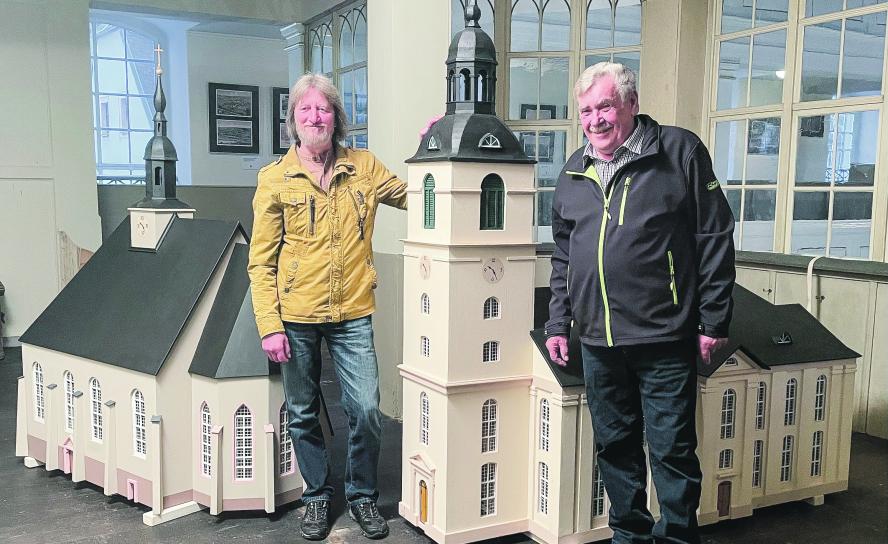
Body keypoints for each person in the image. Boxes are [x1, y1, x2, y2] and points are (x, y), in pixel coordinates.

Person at [544, 62, 735, 544]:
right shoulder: (572, 170)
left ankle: (676, 536)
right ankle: (628, 534)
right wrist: (557, 323)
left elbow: (714, 235)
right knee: (614, 445)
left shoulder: (679, 151)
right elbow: (563, 254)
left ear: (630, 103)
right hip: (596, 339)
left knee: (671, 448)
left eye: (605, 106)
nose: (595, 119)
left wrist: (714, 319)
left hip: (663, 335)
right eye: (585, 110)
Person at [248, 73, 407, 541]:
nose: (315, 117)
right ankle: (316, 496)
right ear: (293, 122)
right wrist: (268, 324)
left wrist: (436, 148)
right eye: (305, 110)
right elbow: (260, 263)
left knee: (366, 410)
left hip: (353, 310)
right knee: (301, 411)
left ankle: (361, 496)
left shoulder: (365, 168)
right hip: (294, 317)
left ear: (336, 118)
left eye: (324, 109)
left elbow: (418, 195)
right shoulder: (274, 180)